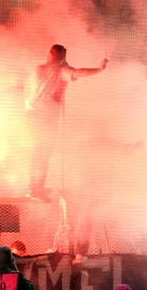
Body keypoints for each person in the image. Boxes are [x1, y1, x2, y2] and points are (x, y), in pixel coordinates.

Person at [26, 45, 108, 202]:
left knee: (41, 151)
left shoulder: (40, 68)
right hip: (45, 116)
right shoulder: (61, 69)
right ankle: (33, 189)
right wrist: (99, 69)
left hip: (34, 113)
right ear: (63, 57)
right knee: (42, 152)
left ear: (50, 54)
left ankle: (36, 187)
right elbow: (79, 72)